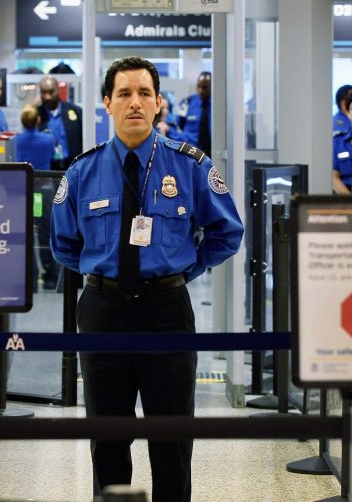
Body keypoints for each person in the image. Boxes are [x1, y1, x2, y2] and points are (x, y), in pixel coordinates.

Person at [50, 56, 244, 501]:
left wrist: (180, 271)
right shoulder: (83, 171)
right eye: (124, 93)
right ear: (107, 104)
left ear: (159, 103)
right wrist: (103, 274)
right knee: (108, 437)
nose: (134, 102)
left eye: (143, 94)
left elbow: (227, 232)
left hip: (166, 311)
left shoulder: (189, 165)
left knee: (172, 438)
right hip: (103, 312)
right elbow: (63, 243)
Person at [16, 105, 58, 290]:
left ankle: (30, 279)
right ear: (38, 120)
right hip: (44, 190)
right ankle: (50, 277)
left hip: (24, 190)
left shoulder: (16, 140)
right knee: (44, 233)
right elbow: (56, 153)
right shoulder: (48, 139)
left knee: (25, 234)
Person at [37, 75, 83, 170]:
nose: (47, 97)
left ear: (58, 90)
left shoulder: (75, 111)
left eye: (51, 92)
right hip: (45, 170)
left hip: (72, 168)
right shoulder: (36, 115)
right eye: (43, 92)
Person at [175, 71, 212, 158]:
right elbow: (179, 124)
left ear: (212, 87)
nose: (201, 90)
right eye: (199, 86)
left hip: (213, 153)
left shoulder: (218, 106)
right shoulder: (186, 102)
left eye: (205, 87)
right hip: (191, 153)